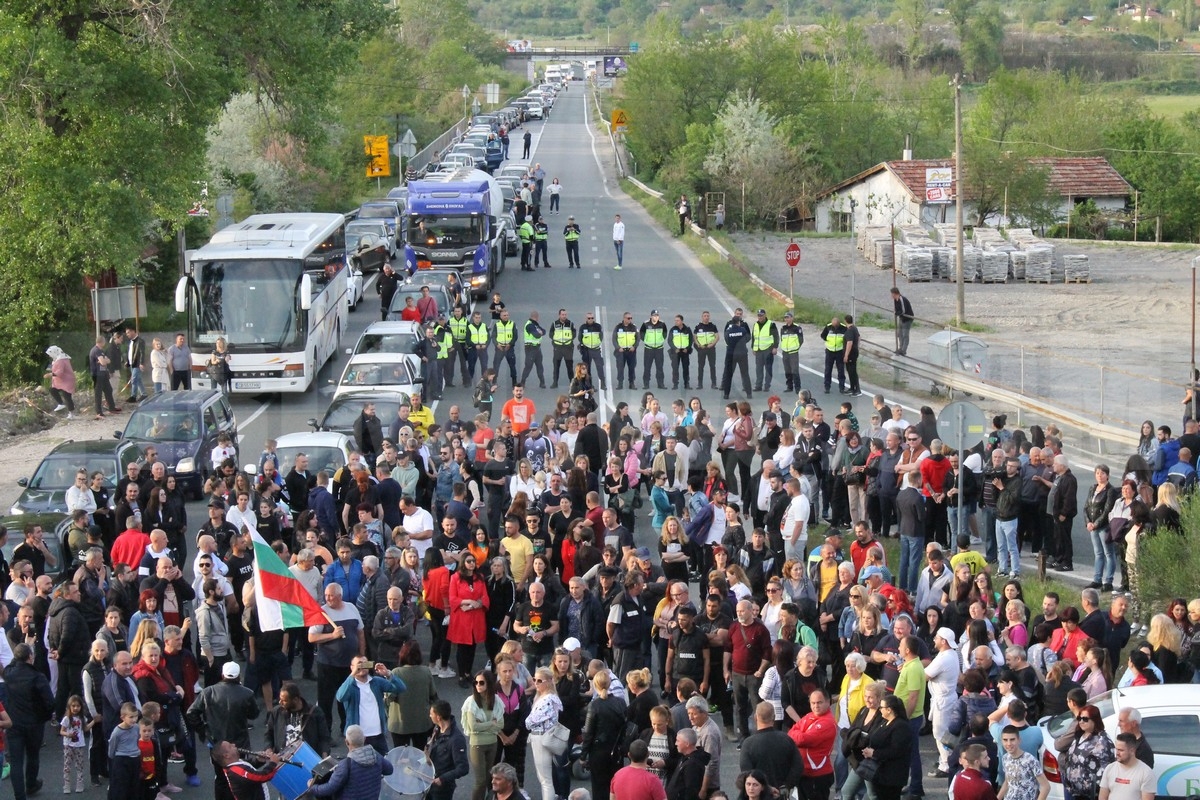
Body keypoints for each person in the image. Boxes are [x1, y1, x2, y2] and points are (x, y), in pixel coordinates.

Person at [185, 661, 259, 800]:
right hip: (240, 744)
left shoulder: (208, 691)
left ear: (222, 675)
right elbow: (254, 714)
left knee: (220, 777)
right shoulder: (247, 693)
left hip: (216, 743)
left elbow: (191, 713)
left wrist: (204, 730)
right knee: (241, 776)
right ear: (238, 676)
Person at [5, 643, 55, 800]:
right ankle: (31, 784)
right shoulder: (37, 677)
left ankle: (19, 795)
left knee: (16, 760)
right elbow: (50, 702)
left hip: (14, 723)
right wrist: (44, 717)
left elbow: (11, 665)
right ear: (30, 657)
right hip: (34, 723)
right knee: (33, 755)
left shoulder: (9, 674)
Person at [334, 656, 406, 755]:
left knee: (385, 766)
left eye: (365, 664)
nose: (362, 667)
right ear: (352, 667)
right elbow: (340, 697)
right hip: (358, 738)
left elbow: (401, 688)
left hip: (378, 735)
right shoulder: (350, 685)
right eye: (359, 664)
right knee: (361, 768)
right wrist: (352, 675)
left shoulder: (376, 682)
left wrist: (388, 674)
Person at [308, 725, 395, 800]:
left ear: (346, 742)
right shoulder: (377, 756)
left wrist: (313, 787)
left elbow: (329, 788)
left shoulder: (346, 765)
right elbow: (389, 770)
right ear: (364, 739)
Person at [581, 669, 627, 800]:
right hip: (616, 750)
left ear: (595, 685)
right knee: (616, 786)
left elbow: (588, 733)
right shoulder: (620, 702)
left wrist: (583, 755)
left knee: (599, 787)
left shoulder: (594, 705)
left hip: (598, 752)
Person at [862, 694, 914, 800]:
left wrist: (874, 753)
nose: (880, 709)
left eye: (882, 707)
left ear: (889, 710)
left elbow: (896, 750)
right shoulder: (886, 722)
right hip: (881, 773)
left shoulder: (901, 726)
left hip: (892, 776)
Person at [1059, 704, 1116, 800]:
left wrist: (1090, 787)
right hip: (1073, 791)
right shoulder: (1079, 735)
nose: (1081, 722)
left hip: (1090, 795)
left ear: (1095, 720)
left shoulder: (1103, 741)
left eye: (1085, 719)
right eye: (1079, 718)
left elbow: (1105, 771)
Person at [526, 667, 565, 800]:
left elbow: (531, 720)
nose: (536, 683)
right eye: (534, 679)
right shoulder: (543, 696)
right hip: (540, 737)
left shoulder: (548, 699)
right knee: (544, 778)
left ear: (549, 681)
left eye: (539, 680)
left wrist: (527, 720)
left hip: (542, 737)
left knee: (545, 780)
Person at [265, 682, 332, 759]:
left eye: (284, 700)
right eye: (280, 699)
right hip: (283, 759)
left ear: (295, 700)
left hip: (307, 758)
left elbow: (324, 737)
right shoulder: (276, 712)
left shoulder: (315, 712)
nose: (280, 702)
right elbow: (268, 734)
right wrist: (268, 748)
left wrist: (324, 755)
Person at [424, 700, 469, 800]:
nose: (430, 716)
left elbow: (463, 768)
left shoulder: (456, 739)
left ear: (438, 717)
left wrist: (443, 778)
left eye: (431, 714)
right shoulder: (437, 729)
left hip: (442, 788)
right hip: (430, 782)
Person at [1098, 733, 1155, 800]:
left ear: (1132, 750)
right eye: (1116, 749)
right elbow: (1102, 797)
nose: (1117, 753)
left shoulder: (1146, 772)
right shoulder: (1110, 768)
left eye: (1121, 750)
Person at [891, 288, 914, 356]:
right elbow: (897, 309)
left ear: (895, 293)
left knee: (905, 335)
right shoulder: (895, 300)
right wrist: (896, 312)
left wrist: (897, 313)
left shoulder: (902, 299)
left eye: (892, 294)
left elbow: (903, 311)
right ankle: (900, 348)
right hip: (902, 318)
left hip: (907, 319)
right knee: (899, 334)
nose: (891, 296)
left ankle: (904, 350)